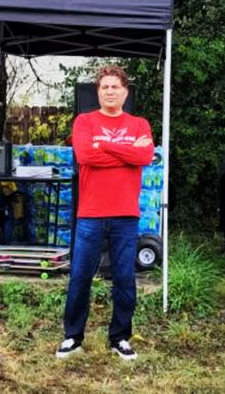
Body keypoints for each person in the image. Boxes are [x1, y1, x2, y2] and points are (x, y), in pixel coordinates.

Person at [56, 66, 154, 360]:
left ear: (125, 91)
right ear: (98, 92)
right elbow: (85, 155)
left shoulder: (139, 124)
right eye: (104, 87)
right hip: (91, 214)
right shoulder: (84, 122)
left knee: (124, 277)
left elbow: (145, 155)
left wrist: (106, 145)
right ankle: (72, 336)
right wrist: (125, 153)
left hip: (126, 215)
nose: (110, 91)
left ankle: (120, 337)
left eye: (115, 87)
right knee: (81, 276)